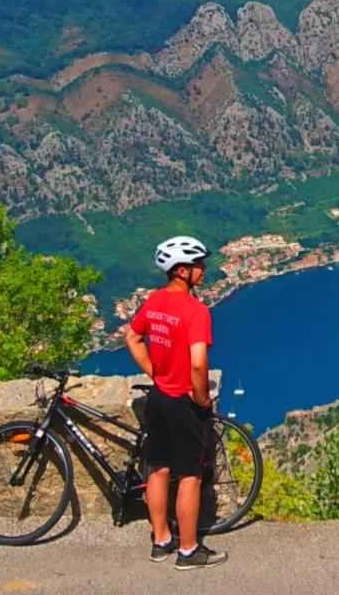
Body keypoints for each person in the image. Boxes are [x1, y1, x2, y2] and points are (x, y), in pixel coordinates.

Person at [123, 235, 226, 570]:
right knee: (190, 476)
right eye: (198, 265)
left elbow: (132, 337)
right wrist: (201, 398)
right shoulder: (196, 312)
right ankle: (188, 550)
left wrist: (154, 370)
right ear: (182, 271)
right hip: (182, 401)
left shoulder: (153, 301)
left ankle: (161, 540)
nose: (204, 270)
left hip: (157, 399)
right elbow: (198, 363)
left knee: (158, 469)